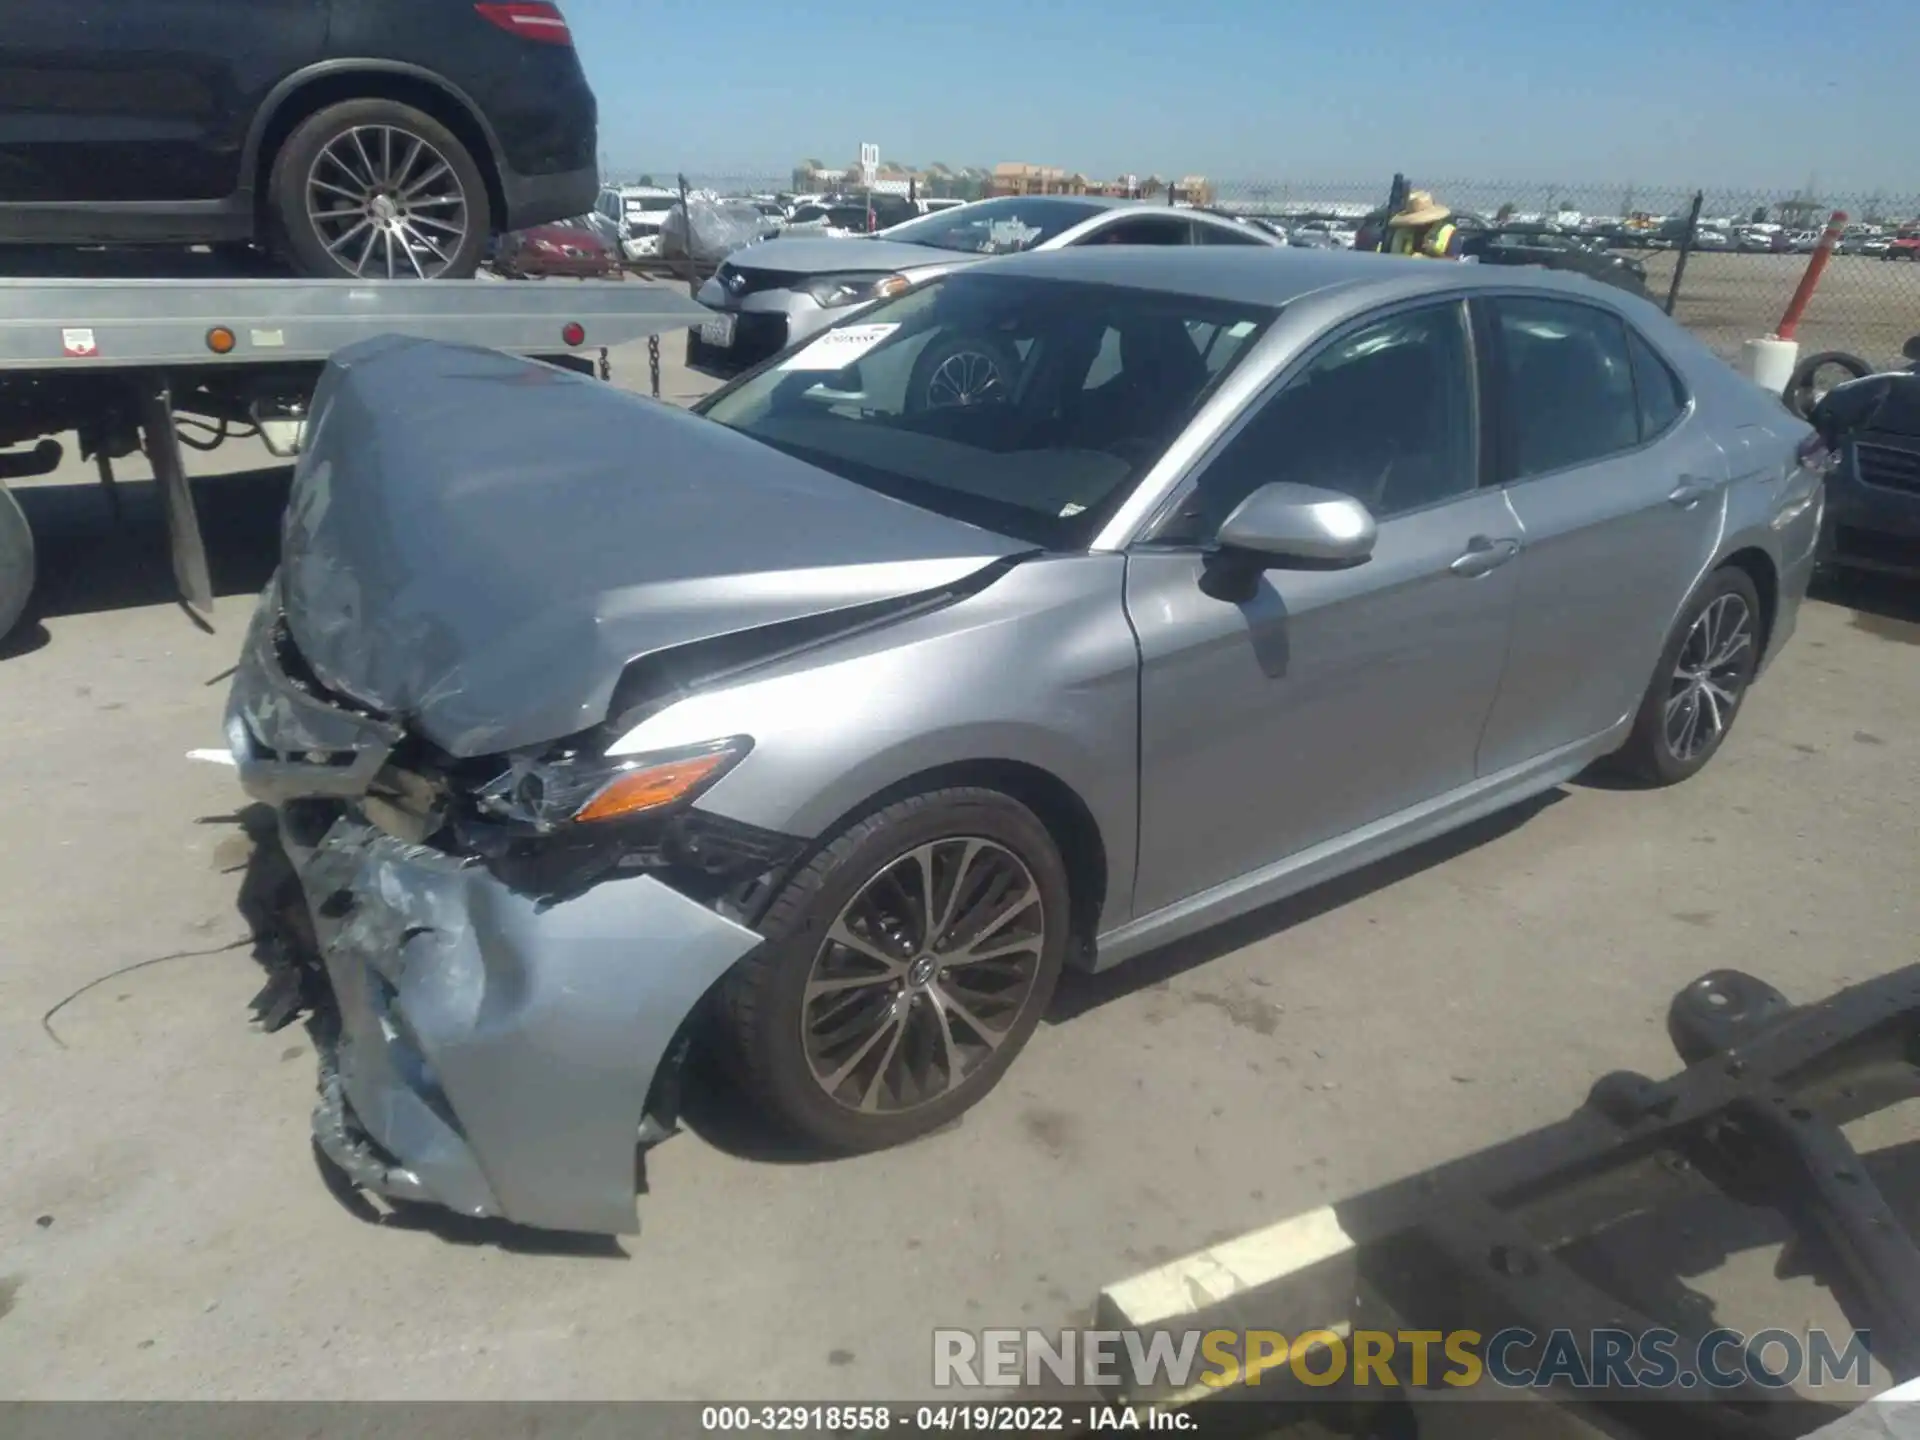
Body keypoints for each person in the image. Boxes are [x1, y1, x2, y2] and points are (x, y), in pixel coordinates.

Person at [1383, 190, 1460, 259]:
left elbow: (1454, 266)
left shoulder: (1448, 232)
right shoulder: (1401, 233)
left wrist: (1434, 254)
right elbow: (1393, 260)